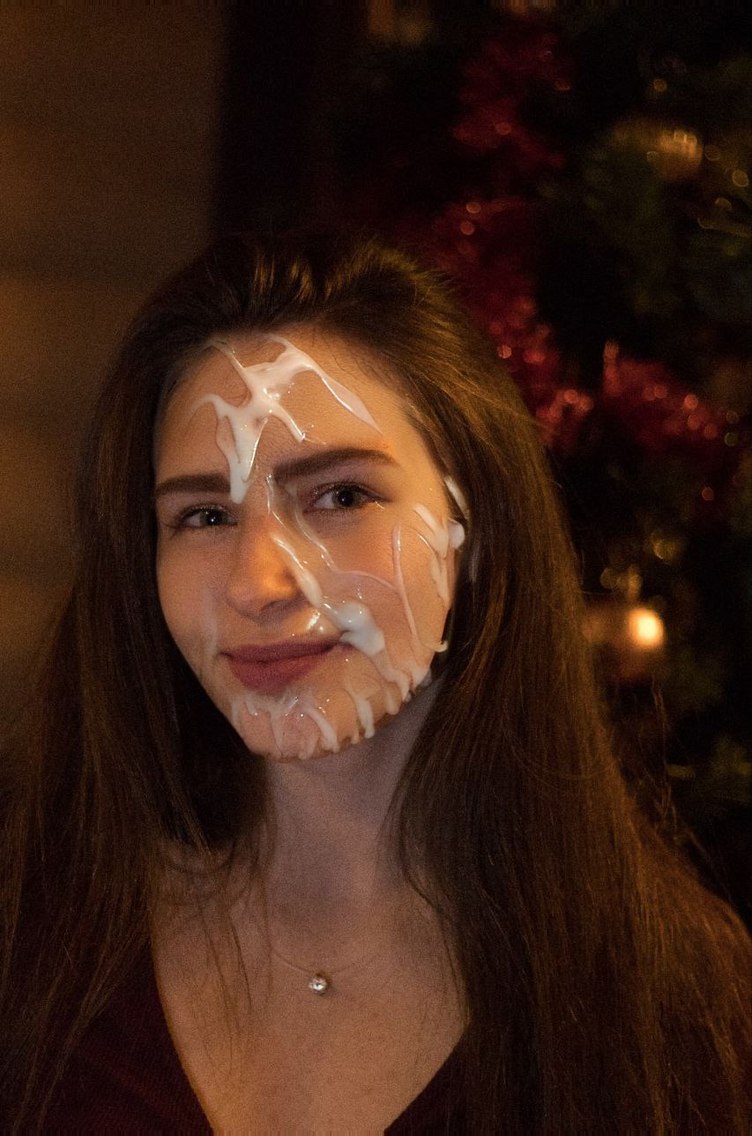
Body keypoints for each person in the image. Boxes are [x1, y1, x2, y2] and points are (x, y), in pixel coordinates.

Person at [1, 230, 750, 1134]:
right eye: (203, 515)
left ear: (478, 525)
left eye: (341, 497)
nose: (256, 584)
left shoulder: (672, 998)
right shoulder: (35, 935)